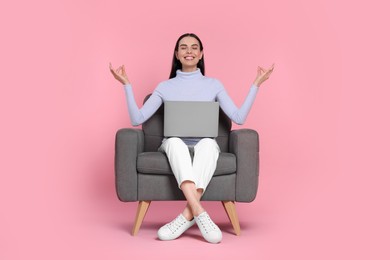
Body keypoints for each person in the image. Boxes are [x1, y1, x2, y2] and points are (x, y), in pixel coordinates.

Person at [110, 33, 274, 243]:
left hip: (204, 144)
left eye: (194, 47)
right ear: (177, 54)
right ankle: (199, 212)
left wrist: (256, 84)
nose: (189, 51)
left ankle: (187, 215)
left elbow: (239, 118)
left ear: (201, 54)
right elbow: (137, 119)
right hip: (173, 144)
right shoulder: (164, 87)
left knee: (208, 143)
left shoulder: (214, 85)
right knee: (176, 142)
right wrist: (126, 84)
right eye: (184, 47)